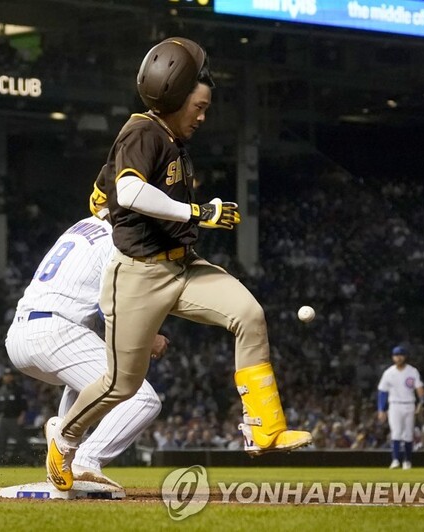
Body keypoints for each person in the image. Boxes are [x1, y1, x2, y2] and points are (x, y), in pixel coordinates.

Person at [45, 37, 311, 490]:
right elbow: (127, 191)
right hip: (138, 276)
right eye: (199, 106)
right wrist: (197, 211)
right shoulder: (142, 131)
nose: (203, 116)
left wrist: (111, 198)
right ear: (173, 98)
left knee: (250, 315)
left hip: (183, 267)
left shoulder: (167, 138)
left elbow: (108, 195)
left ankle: (263, 427)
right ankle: (65, 437)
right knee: (120, 386)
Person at [5, 213, 166, 487]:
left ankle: (61, 460)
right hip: (56, 330)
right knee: (144, 400)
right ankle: (84, 459)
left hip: (21, 333)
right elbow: (111, 307)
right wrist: (149, 338)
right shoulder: (119, 239)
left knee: (87, 384)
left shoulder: (81, 226)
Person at [377, 345, 424, 469]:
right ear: (393, 357)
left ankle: (407, 461)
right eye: (396, 355)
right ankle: (395, 460)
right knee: (396, 433)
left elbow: (419, 388)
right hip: (394, 405)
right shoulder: (389, 372)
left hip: (409, 404)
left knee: (408, 434)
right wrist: (381, 409)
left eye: (401, 355)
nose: (398, 358)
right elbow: (382, 392)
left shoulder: (412, 371)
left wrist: (422, 402)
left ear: (405, 357)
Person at [0, 368, 28, 465]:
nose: (7, 377)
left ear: (12, 377)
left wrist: (22, 416)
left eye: (9, 375)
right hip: (1, 418)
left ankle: (27, 458)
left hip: (13, 418)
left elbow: (23, 404)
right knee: (0, 440)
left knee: (20, 439)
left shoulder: (18, 389)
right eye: (6, 375)